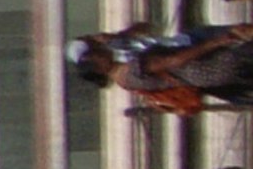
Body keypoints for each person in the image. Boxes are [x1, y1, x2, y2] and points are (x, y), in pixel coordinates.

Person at [75, 28, 253, 113]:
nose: (101, 51)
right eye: (96, 55)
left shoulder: (124, 82)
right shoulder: (132, 70)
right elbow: (174, 61)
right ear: (99, 68)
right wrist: (215, 42)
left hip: (205, 79)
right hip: (207, 66)